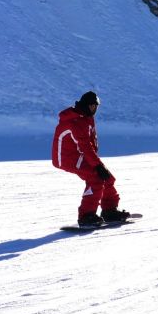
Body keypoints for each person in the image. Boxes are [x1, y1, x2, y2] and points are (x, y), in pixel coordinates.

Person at [52, 91, 131, 226]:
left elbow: (90, 145)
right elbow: (85, 145)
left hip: (79, 154)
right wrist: (97, 165)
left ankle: (109, 211)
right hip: (65, 157)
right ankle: (86, 215)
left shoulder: (86, 117)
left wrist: (98, 164)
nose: (94, 109)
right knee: (96, 178)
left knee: (107, 177)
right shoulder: (74, 121)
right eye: (92, 106)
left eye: (96, 106)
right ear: (85, 105)